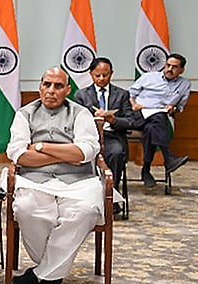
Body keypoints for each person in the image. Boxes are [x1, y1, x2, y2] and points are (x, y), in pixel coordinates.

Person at [6, 67, 104, 284]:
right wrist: (66, 152)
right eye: (47, 84)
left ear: (68, 90)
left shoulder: (81, 113)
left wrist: (41, 147)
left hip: (78, 182)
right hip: (35, 181)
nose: (51, 91)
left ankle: (40, 273)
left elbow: (85, 152)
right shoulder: (24, 114)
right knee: (26, 208)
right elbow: (19, 155)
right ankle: (52, 273)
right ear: (40, 87)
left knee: (86, 211)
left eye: (58, 86)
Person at [73, 57, 132, 199]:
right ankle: (88, 195)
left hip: (112, 136)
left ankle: (111, 195)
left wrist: (113, 120)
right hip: (89, 137)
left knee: (116, 153)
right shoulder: (81, 95)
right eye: (97, 75)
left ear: (111, 74)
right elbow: (75, 122)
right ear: (91, 74)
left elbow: (130, 121)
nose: (101, 79)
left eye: (105, 75)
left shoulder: (122, 94)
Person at [128, 53, 190, 186]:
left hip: (157, 119)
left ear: (181, 70)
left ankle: (146, 170)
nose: (169, 69)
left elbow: (180, 107)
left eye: (174, 67)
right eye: (168, 65)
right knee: (159, 119)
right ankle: (168, 158)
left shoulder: (184, 84)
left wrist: (173, 108)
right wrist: (134, 105)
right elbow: (130, 94)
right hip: (139, 114)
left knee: (152, 128)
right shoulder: (149, 77)